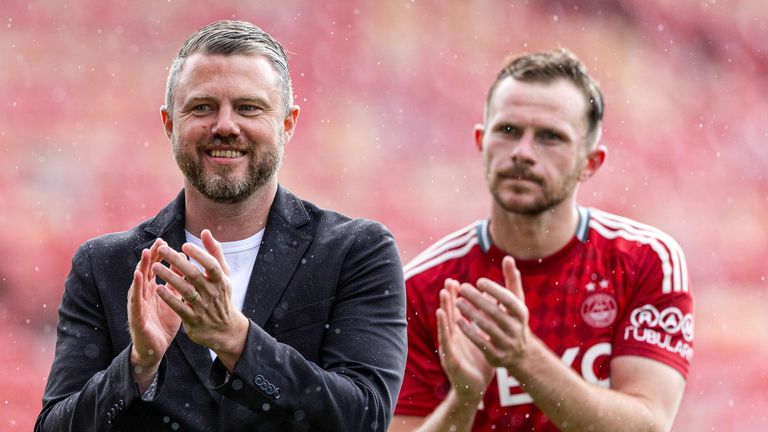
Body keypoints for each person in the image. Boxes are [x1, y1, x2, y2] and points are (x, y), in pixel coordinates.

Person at [36, 20, 407, 432]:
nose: (225, 125)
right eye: (202, 107)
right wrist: (136, 368)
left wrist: (236, 340)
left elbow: (367, 417)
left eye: (248, 107)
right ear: (169, 124)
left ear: (287, 124)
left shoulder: (356, 252)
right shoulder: (103, 264)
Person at [390, 49, 693, 431]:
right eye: (508, 130)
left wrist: (522, 355)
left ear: (590, 163)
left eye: (549, 137)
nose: (522, 153)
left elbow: (648, 424)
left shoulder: (646, 261)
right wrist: (464, 397)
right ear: (481, 142)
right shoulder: (422, 288)